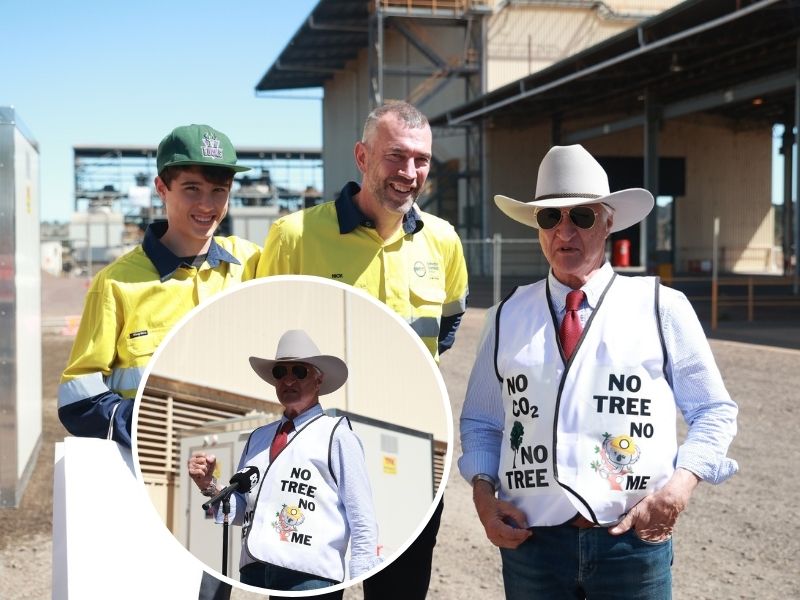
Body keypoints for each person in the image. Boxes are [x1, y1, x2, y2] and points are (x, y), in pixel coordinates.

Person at [459, 144, 739, 599]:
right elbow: (482, 422)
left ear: (608, 222)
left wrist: (678, 489)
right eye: (550, 217)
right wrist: (483, 496)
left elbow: (713, 410)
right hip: (532, 543)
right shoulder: (506, 315)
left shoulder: (660, 306)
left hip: (630, 541)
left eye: (582, 217)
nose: (564, 231)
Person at [257, 101, 469, 598]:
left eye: (421, 160)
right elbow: (265, 333)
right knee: (304, 590)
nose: (410, 173)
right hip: (310, 459)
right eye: (396, 156)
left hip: (408, 456)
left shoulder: (443, 241)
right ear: (361, 155)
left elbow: (448, 326)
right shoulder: (294, 238)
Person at [58, 124, 260, 600]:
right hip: (147, 488)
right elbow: (75, 398)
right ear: (162, 188)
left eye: (218, 190)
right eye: (191, 189)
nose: (207, 205)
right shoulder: (117, 284)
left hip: (224, 489)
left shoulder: (251, 266)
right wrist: (151, 429)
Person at [188, 329, 382, 594]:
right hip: (256, 570)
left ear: (318, 380)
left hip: (309, 574)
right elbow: (242, 510)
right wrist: (208, 484)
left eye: (299, 371)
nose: (288, 379)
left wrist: (363, 574)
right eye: (281, 372)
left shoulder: (336, 433)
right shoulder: (259, 437)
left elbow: (361, 513)